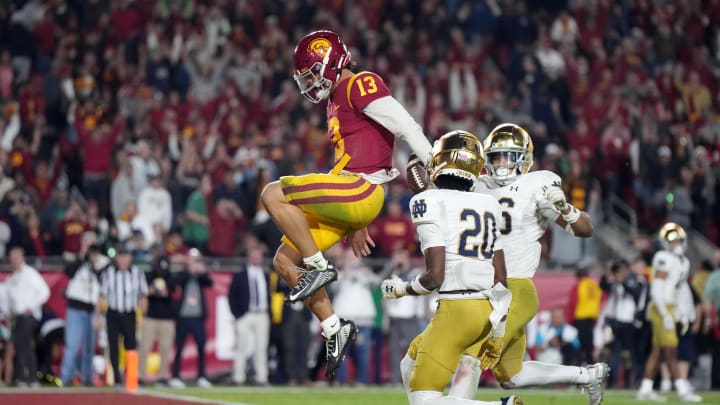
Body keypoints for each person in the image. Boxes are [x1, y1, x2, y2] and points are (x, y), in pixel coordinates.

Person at [393, 123, 607, 405]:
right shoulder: (476, 182)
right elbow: (435, 190)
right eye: (495, 157)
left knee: (470, 359)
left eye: (508, 156)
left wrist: (565, 208)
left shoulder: (538, 184)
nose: (501, 163)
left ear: (524, 159)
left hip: (512, 286)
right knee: (511, 374)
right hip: (483, 287)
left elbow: (585, 228)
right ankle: (588, 375)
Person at [260, 29, 433, 378]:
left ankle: (320, 266)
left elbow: (406, 126)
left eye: (311, 73)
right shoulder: (334, 99)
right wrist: (355, 223)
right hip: (350, 192)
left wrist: (435, 166)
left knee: (272, 193)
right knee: (283, 262)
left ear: (331, 62)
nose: (309, 83)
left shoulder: (359, 83)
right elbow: (351, 157)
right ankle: (334, 327)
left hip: (361, 189)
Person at [380, 130, 518, 405]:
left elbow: (435, 277)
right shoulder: (489, 203)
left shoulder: (427, 201)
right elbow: (501, 279)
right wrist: (498, 331)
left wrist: (401, 289)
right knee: (409, 363)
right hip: (486, 311)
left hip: (457, 309)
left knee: (425, 400)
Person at [637, 223, 702, 402]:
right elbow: (657, 288)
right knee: (671, 351)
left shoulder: (684, 261)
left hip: (671, 307)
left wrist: (682, 311)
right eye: (673, 241)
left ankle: (645, 388)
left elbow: (680, 290)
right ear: (665, 243)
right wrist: (665, 313)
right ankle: (682, 390)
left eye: (679, 240)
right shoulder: (663, 257)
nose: (677, 244)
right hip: (661, 308)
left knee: (657, 352)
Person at [96, 245, 148, 386]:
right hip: (113, 314)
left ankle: (130, 376)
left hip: (130, 314)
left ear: (130, 258)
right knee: (113, 346)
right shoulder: (109, 273)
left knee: (131, 346)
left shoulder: (137, 273)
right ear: (117, 258)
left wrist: (143, 317)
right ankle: (117, 378)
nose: (123, 260)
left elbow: (143, 296)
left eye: (126, 256)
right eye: (121, 256)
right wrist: (97, 317)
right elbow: (101, 296)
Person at [60, 238, 109, 386]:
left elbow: (104, 283)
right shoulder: (78, 262)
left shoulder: (103, 265)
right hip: (75, 308)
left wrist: (95, 264)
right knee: (72, 345)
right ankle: (65, 378)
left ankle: (88, 378)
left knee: (89, 347)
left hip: (92, 310)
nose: (92, 254)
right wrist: (82, 256)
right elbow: (68, 272)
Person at [4, 246, 50, 386]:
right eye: (12, 258)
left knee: (22, 344)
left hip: (29, 316)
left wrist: (32, 307)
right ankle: (30, 377)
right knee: (22, 345)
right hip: (16, 317)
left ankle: (24, 377)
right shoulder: (11, 279)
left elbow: (45, 292)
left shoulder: (30, 273)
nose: (14, 260)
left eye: (17, 257)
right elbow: (7, 301)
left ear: (22, 258)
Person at [169, 248, 213, 389]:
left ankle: (201, 376)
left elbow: (209, 282)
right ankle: (175, 376)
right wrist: (190, 271)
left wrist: (201, 272)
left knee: (201, 347)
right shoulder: (183, 273)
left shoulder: (200, 276)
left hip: (198, 317)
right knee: (180, 347)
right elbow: (175, 281)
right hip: (183, 317)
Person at [228, 247, 270, 386]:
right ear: (249, 257)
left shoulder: (265, 275)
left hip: (262, 314)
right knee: (241, 346)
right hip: (246, 314)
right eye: (254, 256)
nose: (257, 259)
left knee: (261, 347)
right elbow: (232, 296)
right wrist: (237, 314)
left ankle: (261, 377)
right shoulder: (240, 275)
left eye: (259, 256)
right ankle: (238, 377)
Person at [138, 255, 176, 386]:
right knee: (144, 347)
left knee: (165, 348)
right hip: (150, 317)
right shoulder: (148, 275)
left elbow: (170, 293)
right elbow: (145, 291)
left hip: (166, 318)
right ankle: (140, 375)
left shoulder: (170, 276)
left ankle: (163, 375)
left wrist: (156, 292)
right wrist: (154, 291)